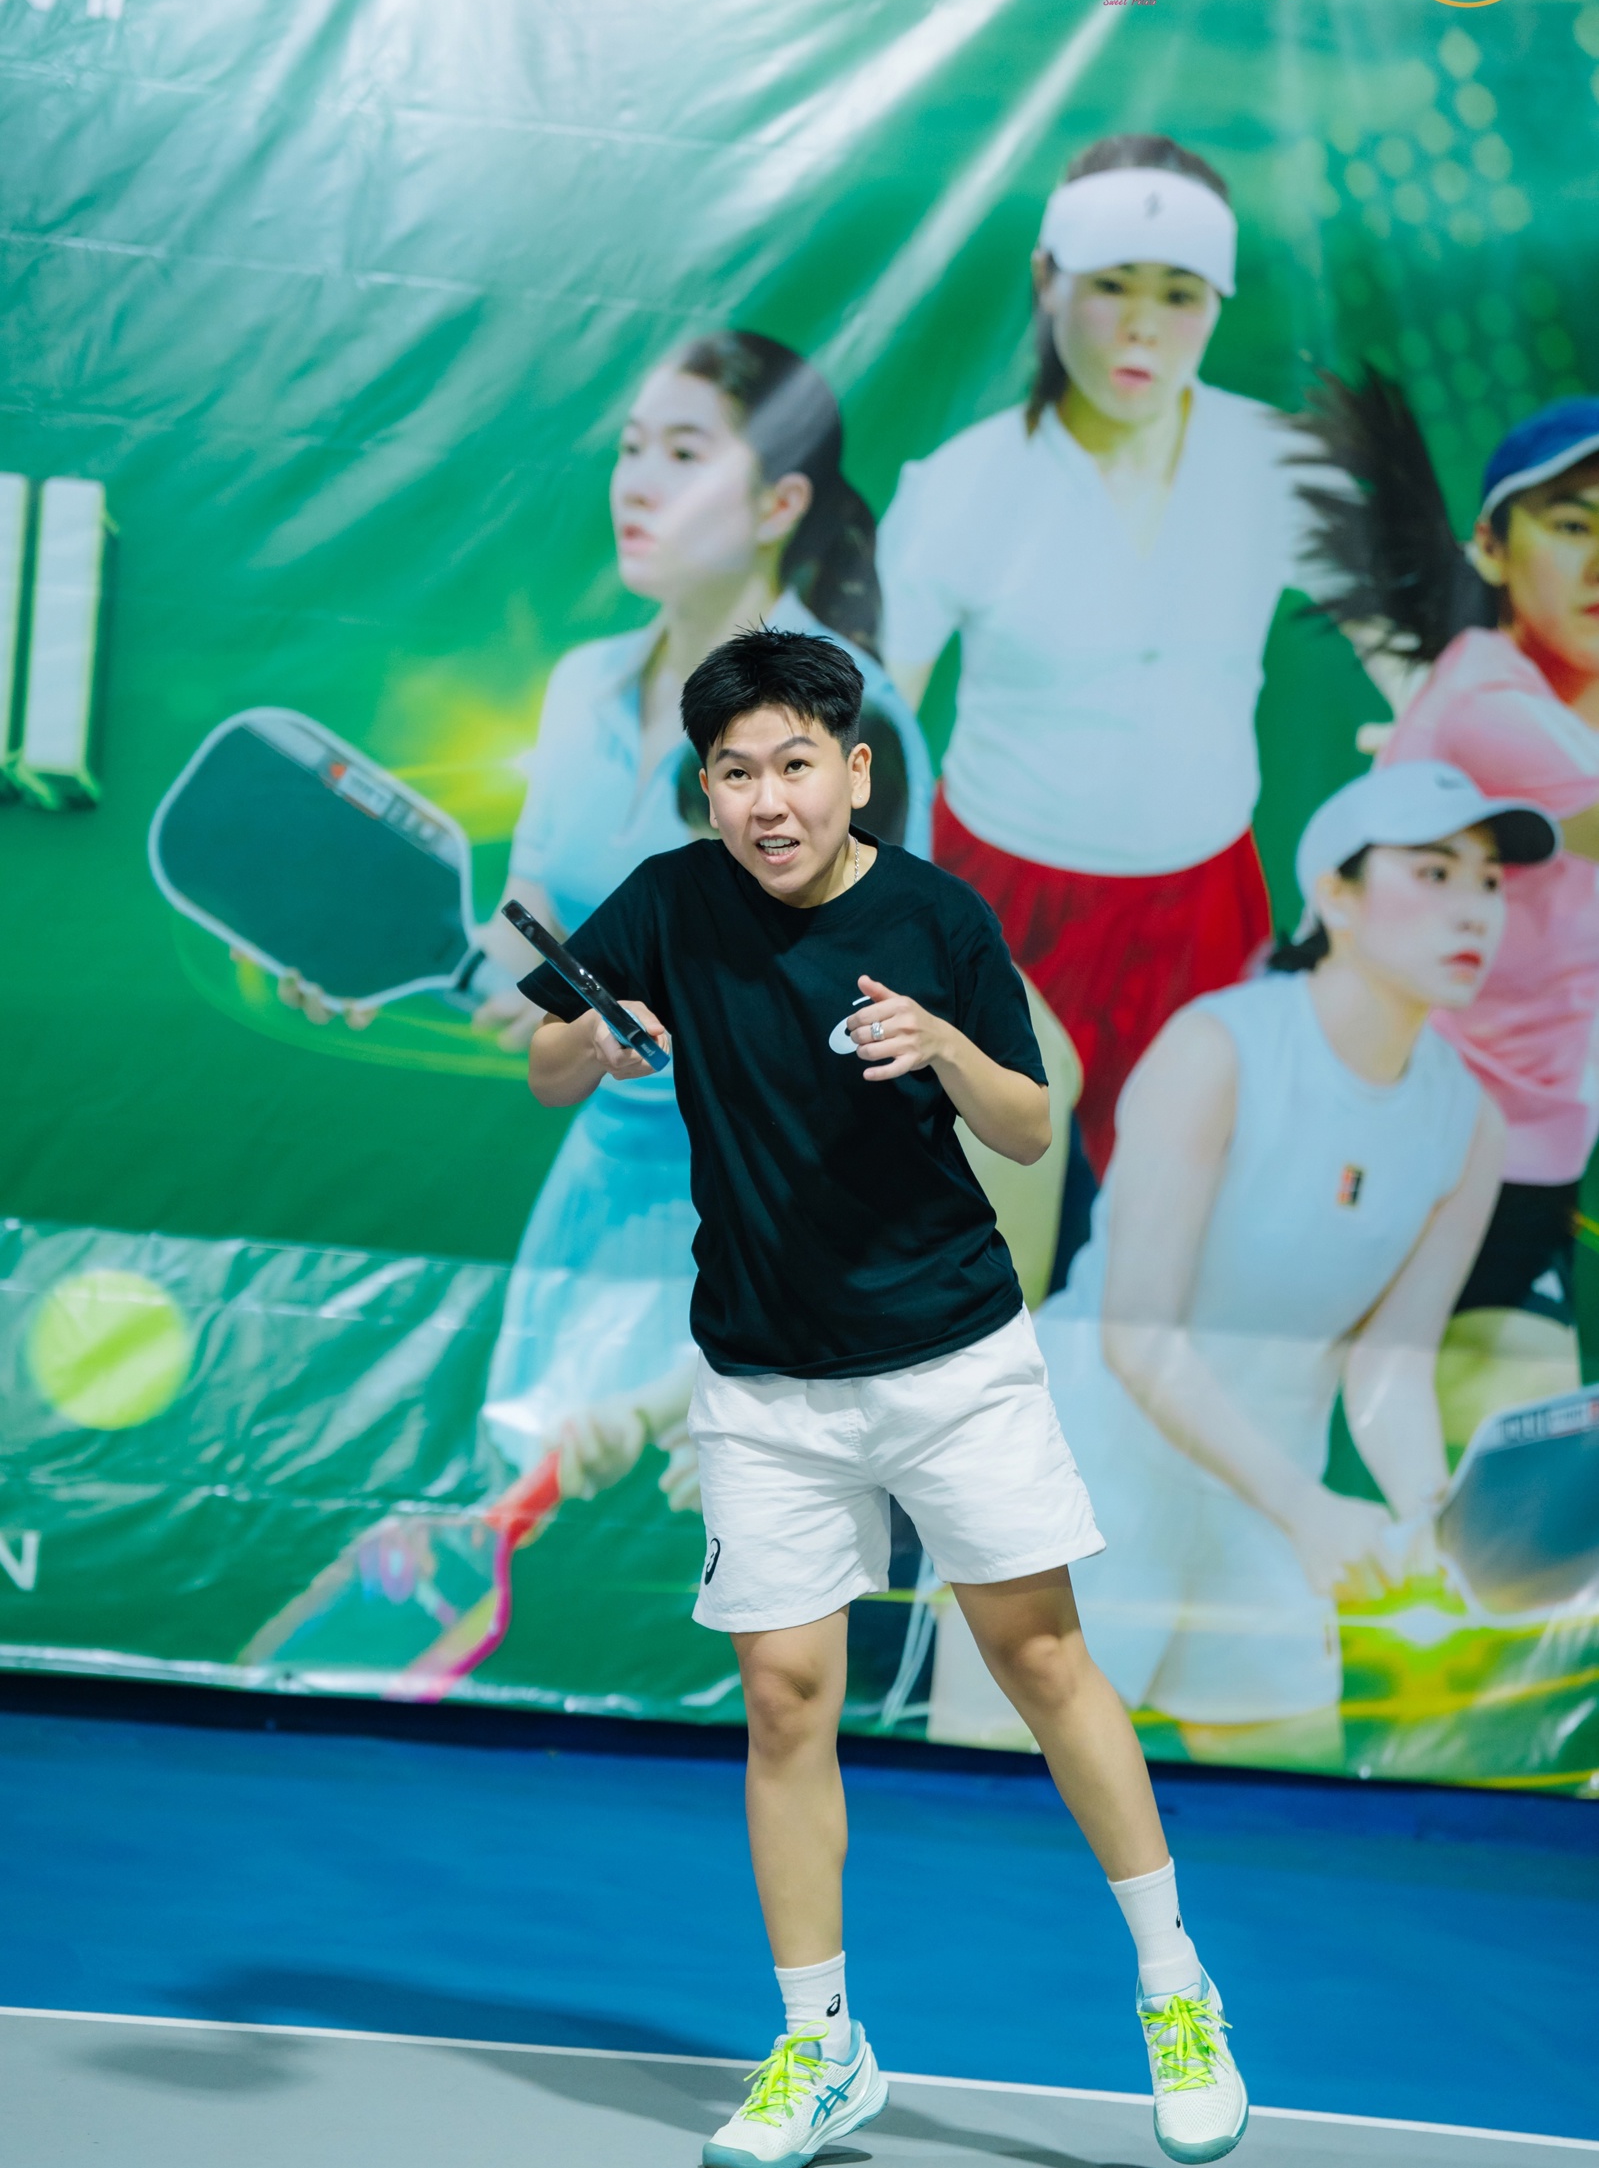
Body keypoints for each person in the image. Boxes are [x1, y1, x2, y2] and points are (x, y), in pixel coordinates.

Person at [520, 627, 1249, 2168]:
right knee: (786, 1701)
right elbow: (544, 1068)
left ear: (851, 773)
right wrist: (593, 1035)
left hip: (947, 1362)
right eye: (734, 773)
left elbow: (1032, 1127)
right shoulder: (663, 903)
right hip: (762, 1377)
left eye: (794, 765)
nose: (765, 800)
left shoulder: (934, 917)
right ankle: (820, 2044)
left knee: (1039, 1660)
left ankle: (1174, 1989)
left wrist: (939, 1045)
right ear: (705, 790)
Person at [286, 331, 932, 1516]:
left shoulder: (853, 719)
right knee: (549, 1542)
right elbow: (536, 934)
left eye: (685, 453)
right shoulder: (585, 681)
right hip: (597, 1194)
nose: (638, 481)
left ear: (781, 503)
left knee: (727, 1580)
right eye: (632, 449)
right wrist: (386, 957)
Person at [1034, 762, 1557, 1773]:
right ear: (1337, 897)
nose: (1474, 910)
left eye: (1489, 882)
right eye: (1434, 873)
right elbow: (1136, 1335)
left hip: (1269, 1496)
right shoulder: (1216, 1049)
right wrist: (1305, 1511)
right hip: (1088, 1461)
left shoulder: (1470, 1124)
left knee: (1290, 1810)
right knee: (1003, 1803)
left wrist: (1429, 1521)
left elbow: (1391, 1366)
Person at [878, 133, 1338, 1188]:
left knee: (1182, 1204)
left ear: (1215, 304)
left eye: (1179, 294)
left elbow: (1428, 652)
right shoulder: (958, 486)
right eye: (1111, 285)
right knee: (977, 1208)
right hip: (996, 895)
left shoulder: (1283, 468)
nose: (1142, 325)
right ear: (1048, 280)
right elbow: (872, 737)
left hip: (1206, 902)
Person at [1296, 379, 1599, 1319]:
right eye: (1574, 525)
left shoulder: (1551, 693)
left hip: (1524, 1141)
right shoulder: (1489, 706)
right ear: (1491, 547)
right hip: (1422, 1147)